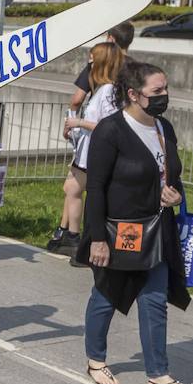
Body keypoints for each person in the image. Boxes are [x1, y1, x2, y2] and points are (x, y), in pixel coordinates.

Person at [77, 61, 193, 384]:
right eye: (157, 91)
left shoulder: (165, 128)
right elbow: (96, 187)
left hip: (158, 227)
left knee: (155, 299)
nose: (165, 96)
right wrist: (98, 238)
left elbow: (171, 174)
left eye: (165, 89)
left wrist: (174, 193)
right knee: (107, 294)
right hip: (121, 230)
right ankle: (95, 360)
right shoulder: (111, 131)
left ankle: (158, 376)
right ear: (133, 94)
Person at [50, 22, 135, 255]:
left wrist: (75, 122)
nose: (88, 63)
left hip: (94, 150)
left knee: (76, 190)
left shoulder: (106, 90)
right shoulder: (128, 74)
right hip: (92, 148)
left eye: (91, 59)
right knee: (73, 187)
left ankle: (74, 238)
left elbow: (103, 121)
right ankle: (71, 235)